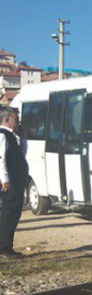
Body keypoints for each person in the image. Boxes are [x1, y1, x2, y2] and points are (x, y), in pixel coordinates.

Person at [0, 107, 27, 259]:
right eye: (16, 119)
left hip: (15, 180)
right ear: (7, 119)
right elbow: (0, 159)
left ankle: (7, 246)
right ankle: (4, 248)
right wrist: (5, 180)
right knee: (9, 214)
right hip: (9, 183)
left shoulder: (11, 136)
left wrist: (23, 138)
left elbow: (21, 156)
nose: (18, 122)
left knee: (14, 213)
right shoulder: (2, 135)